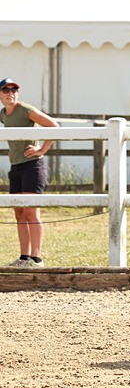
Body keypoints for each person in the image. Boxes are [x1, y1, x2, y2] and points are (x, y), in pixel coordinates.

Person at [1, 78, 59, 268]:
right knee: (19, 213)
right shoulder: (3, 115)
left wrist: (42, 149)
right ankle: (24, 257)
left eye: (14, 89)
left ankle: (36, 259)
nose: (11, 93)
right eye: (6, 90)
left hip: (32, 166)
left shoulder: (25, 109)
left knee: (31, 212)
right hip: (16, 167)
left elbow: (53, 126)